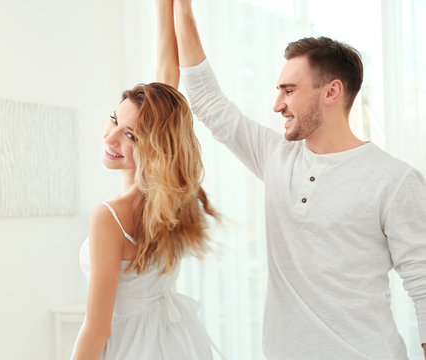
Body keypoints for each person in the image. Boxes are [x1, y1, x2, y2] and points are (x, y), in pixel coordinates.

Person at [171, 0, 426, 359]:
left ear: (332, 92)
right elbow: (208, 101)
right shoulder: (276, 157)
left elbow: (423, 282)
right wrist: (182, 9)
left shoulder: (394, 179)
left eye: (288, 90)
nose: (277, 104)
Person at [70, 1, 221, 359]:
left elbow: (97, 329)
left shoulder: (109, 216)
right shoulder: (173, 197)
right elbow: (167, 73)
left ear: (154, 145)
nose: (110, 138)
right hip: (173, 341)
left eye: (131, 136)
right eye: (113, 120)